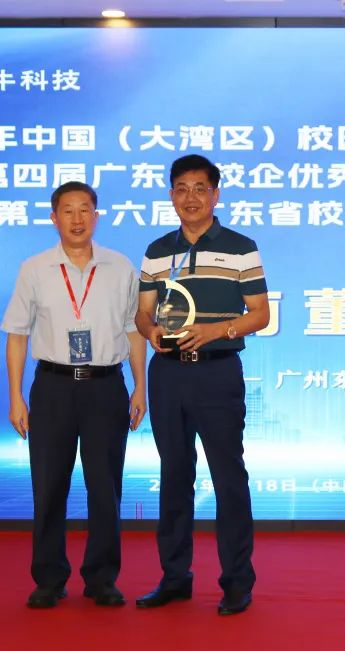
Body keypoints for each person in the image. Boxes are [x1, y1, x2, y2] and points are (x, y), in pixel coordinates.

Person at [134, 154, 270, 616]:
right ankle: (175, 578)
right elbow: (142, 313)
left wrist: (216, 331)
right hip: (168, 374)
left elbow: (260, 314)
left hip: (217, 372)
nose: (189, 197)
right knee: (174, 476)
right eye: (181, 188)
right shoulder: (157, 250)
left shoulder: (240, 247)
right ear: (170, 194)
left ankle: (237, 582)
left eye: (199, 188)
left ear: (215, 194)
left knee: (228, 477)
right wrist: (150, 331)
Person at [2, 181, 146, 609]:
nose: (77, 219)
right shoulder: (34, 268)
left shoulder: (120, 267)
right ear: (54, 218)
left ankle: (102, 578)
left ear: (96, 217)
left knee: (106, 487)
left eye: (85, 210)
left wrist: (140, 386)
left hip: (106, 387)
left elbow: (134, 330)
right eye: (68, 210)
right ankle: (49, 578)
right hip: (53, 387)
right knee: (49, 486)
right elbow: (16, 335)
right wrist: (15, 397)